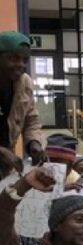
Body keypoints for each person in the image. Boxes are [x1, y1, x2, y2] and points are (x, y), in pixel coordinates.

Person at [0, 32, 44, 165]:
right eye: (13, 58)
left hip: (5, 164)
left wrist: (34, 142)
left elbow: (31, 120)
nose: (20, 65)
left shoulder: (25, 83)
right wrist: (1, 152)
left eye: (25, 60)